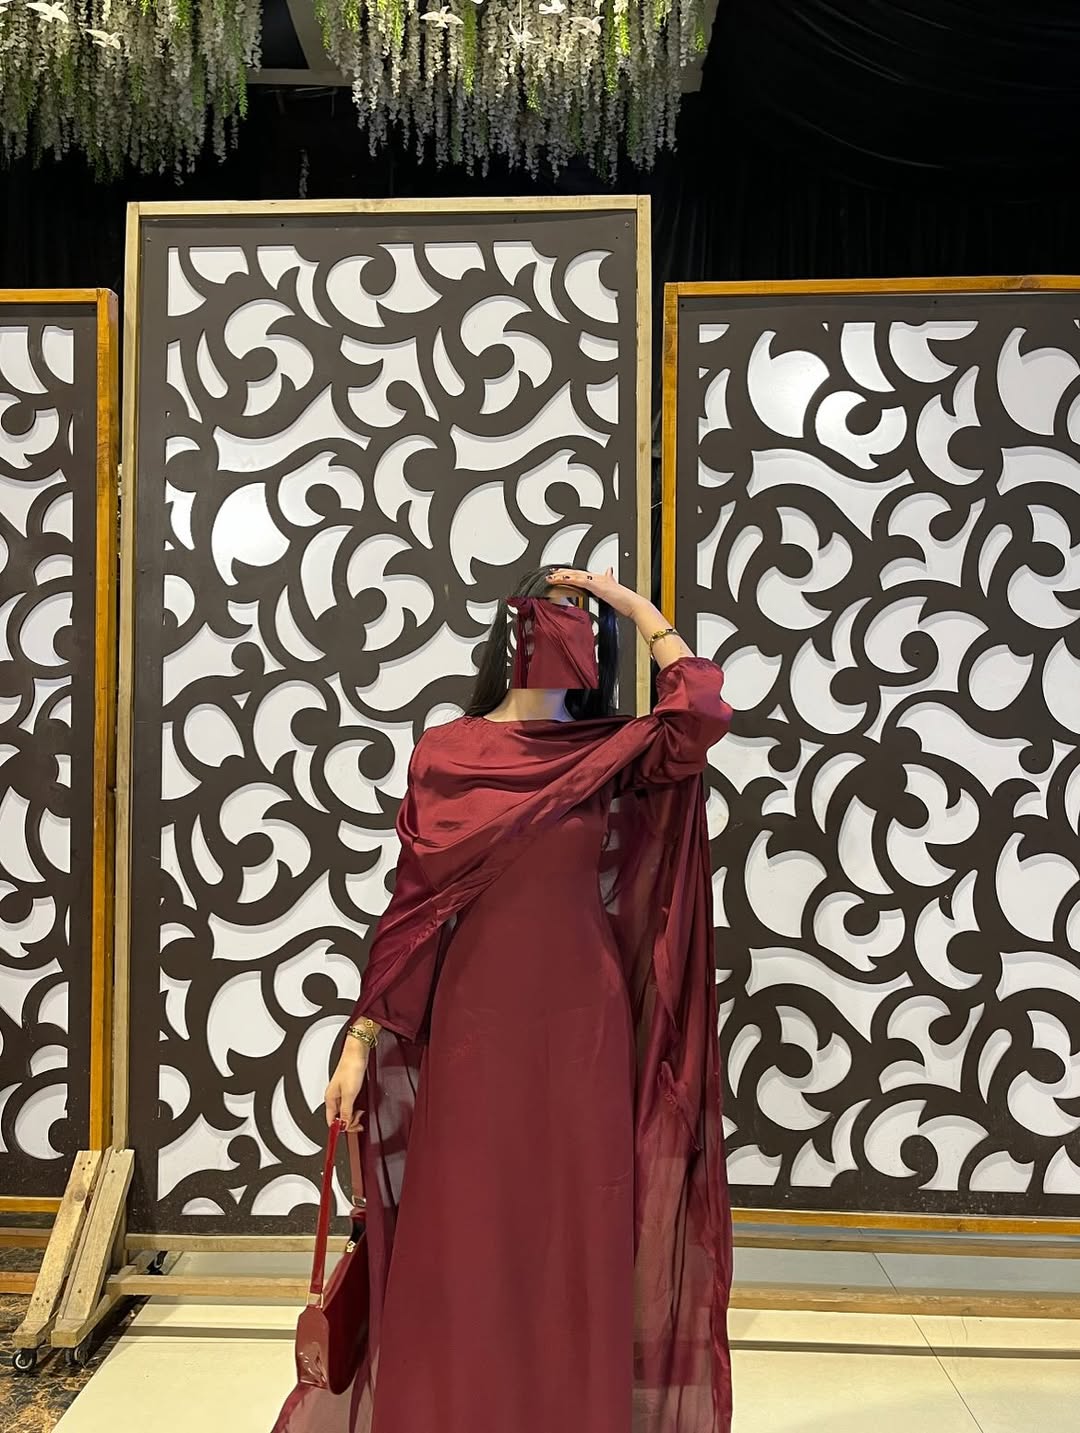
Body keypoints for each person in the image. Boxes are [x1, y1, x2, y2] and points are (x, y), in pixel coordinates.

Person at [271, 564, 734, 1433]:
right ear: (515, 630)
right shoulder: (447, 752)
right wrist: (359, 1041)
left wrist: (632, 606)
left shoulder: (609, 752)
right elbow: (412, 910)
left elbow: (701, 714)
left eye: (584, 621)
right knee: (470, 1227)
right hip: (476, 1026)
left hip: (584, 1027)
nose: (569, 631)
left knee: (572, 1231)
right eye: (553, 616)